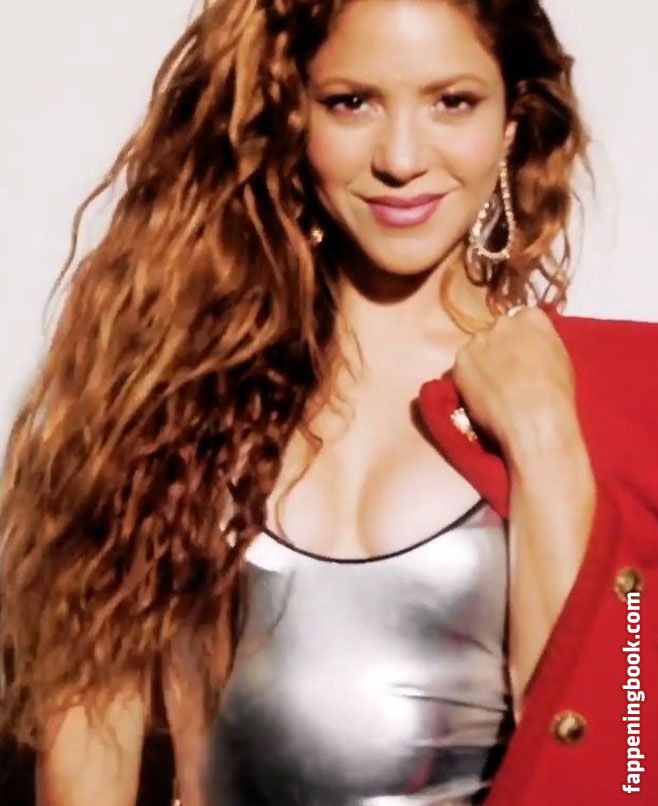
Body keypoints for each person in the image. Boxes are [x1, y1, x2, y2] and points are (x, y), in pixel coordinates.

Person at [1, 0, 656, 804]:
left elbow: (606, 752)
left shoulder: (612, 395)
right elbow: (86, 750)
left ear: (512, 125)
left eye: (453, 102)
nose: (402, 158)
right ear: (291, 117)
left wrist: (545, 439)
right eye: (352, 103)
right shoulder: (170, 395)